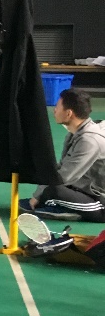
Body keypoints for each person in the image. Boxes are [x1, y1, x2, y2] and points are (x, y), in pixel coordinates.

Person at [20, 88, 105, 221]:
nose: (54, 110)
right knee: (50, 180)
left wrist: (37, 197)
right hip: (85, 189)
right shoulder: (75, 133)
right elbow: (61, 167)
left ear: (69, 113)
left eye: (58, 107)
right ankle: (60, 204)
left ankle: (64, 207)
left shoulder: (89, 141)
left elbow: (63, 177)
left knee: (54, 189)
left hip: (100, 202)